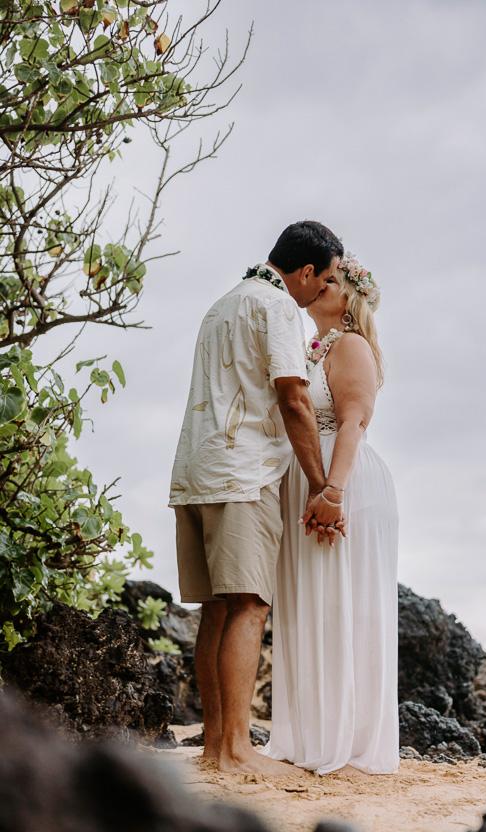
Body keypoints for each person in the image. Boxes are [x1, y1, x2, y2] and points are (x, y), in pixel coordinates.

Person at [167, 220, 345, 775]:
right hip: (242, 474)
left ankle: (215, 749)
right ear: (307, 270)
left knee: (216, 609)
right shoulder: (278, 308)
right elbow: (293, 400)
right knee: (249, 604)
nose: (325, 290)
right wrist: (321, 485)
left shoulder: (221, 304)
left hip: (194, 470)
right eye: (327, 278)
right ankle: (238, 750)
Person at [260, 254, 400, 774]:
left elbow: (353, 422)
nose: (324, 284)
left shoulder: (353, 346)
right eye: (325, 276)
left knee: (345, 603)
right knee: (310, 602)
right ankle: (310, 734)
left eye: (336, 280)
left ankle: (349, 738)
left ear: (351, 299)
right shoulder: (312, 349)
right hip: (308, 480)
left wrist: (333, 492)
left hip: (346, 482)